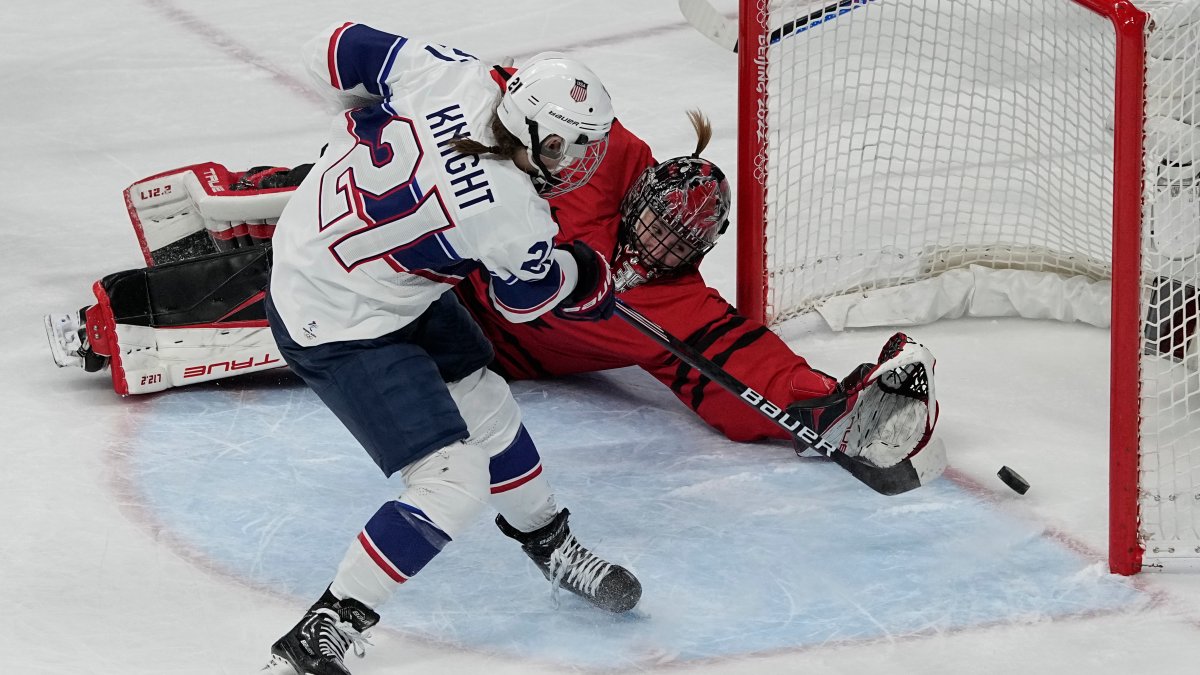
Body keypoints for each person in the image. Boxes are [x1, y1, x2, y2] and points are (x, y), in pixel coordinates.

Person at [156, 21, 641, 675]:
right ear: (537, 133)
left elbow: (331, 47)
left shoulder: (453, 73)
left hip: (353, 266)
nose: (577, 160)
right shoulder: (511, 214)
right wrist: (584, 274)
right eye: (570, 145)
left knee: (486, 403)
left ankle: (549, 544)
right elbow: (523, 301)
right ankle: (326, 627)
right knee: (452, 481)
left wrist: (359, 136)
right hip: (335, 321)